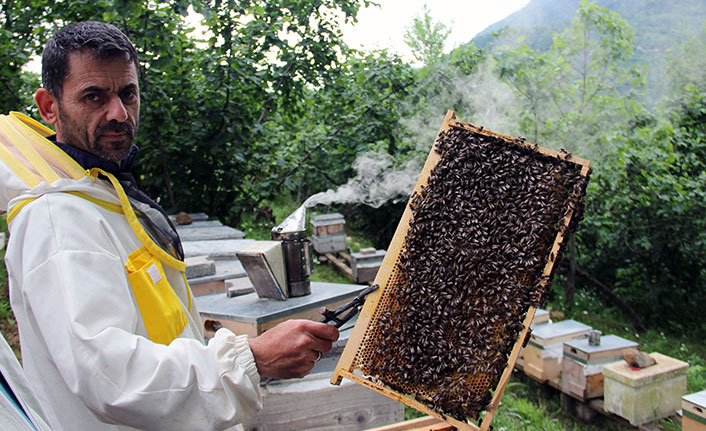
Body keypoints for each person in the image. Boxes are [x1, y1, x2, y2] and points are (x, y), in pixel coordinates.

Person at [0, 21, 338, 431]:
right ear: (49, 106)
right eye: (94, 97)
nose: (118, 113)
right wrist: (251, 358)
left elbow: (156, 333)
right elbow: (111, 376)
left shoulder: (102, 194)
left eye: (127, 93)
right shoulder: (56, 218)